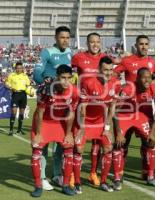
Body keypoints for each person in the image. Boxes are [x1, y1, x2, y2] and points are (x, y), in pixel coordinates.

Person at [114, 35, 155, 179]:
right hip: (126, 106)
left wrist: (151, 84)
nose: (144, 46)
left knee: (146, 142)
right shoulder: (127, 61)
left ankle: (146, 172)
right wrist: (121, 87)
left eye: (146, 44)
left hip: (145, 108)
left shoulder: (152, 62)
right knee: (124, 142)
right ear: (136, 45)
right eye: (141, 44)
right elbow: (113, 73)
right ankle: (120, 172)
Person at [73, 56, 120, 193]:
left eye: (111, 70)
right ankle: (76, 182)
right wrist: (81, 127)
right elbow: (82, 107)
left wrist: (107, 128)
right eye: (105, 70)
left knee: (108, 148)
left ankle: (104, 181)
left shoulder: (115, 83)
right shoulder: (88, 82)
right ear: (99, 69)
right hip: (85, 121)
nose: (108, 73)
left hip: (100, 122)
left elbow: (112, 107)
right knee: (79, 149)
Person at [33, 26, 72, 190]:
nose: (65, 40)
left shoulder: (70, 52)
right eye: (62, 37)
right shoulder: (47, 52)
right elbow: (36, 72)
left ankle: (57, 175)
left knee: (61, 143)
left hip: (63, 101)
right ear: (56, 38)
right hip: (48, 97)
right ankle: (41, 177)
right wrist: (46, 81)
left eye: (67, 37)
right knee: (44, 141)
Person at [30, 65, 78, 197]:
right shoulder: (46, 89)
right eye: (63, 78)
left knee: (69, 149)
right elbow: (40, 112)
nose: (66, 81)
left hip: (60, 122)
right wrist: (39, 134)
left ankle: (66, 184)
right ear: (57, 77)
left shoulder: (74, 91)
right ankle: (38, 185)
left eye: (69, 78)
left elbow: (71, 113)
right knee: (36, 150)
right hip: (43, 122)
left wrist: (68, 133)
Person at [112, 68, 155, 190]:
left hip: (140, 116)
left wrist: (152, 133)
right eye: (144, 77)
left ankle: (150, 177)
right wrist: (118, 132)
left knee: (151, 143)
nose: (147, 80)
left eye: (149, 77)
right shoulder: (128, 88)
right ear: (137, 78)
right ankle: (117, 178)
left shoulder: (154, 89)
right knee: (120, 144)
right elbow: (114, 110)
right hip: (124, 115)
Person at [71, 32, 109, 186]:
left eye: (97, 41)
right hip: (82, 106)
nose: (95, 44)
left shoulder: (106, 58)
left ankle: (93, 173)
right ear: (87, 43)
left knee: (97, 144)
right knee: (78, 143)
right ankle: (73, 174)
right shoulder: (78, 57)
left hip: (99, 109)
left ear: (100, 42)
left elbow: (111, 76)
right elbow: (68, 75)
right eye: (92, 42)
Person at [5, 62, 31, 135]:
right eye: (17, 68)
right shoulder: (11, 75)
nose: (19, 69)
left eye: (20, 68)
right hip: (15, 94)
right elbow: (6, 83)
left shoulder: (25, 76)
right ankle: (11, 130)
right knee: (13, 112)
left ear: (22, 68)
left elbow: (28, 85)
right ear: (15, 68)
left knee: (22, 113)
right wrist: (10, 87)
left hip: (23, 95)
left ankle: (19, 129)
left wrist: (30, 91)